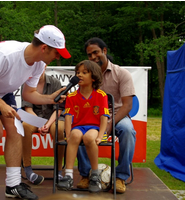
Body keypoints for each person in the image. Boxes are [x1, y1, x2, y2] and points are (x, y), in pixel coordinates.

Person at [0, 25, 71, 200]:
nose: (58, 57)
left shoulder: (38, 63)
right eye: (57, 53)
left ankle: (12, 185)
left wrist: (51, 98)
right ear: (44, 48)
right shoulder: (7, 55)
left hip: (2, 90)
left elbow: (29, 94)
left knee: (16, 129)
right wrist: (1, 106)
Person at [76, 37, 136, 194]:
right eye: (89, 55)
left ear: (104, 51)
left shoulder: (121, 73)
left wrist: (109, 123)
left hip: (117, 115)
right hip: (93, 117)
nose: (93, 57)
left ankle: (121, 177)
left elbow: (127, 105)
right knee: (77, 130)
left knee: (128, 131)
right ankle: (86, 175)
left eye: (96, 52)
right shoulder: (86, 75)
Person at [56, 60, 110, 193]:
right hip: (78, 126)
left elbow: (104, 117)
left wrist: (101, 134)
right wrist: (68, 135)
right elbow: (68, 117)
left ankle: (95, 175)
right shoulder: (72, 96)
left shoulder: (101, 95)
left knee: (89, 137)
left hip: (94, 127)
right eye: (78, 72)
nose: (79, 75)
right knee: (74, 135)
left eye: (84, 73)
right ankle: (68, 175)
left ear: (93, 77)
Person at [21, 66, 65, 185]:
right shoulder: (26, 84)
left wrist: (47, 124)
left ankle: (59, 170)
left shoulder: (55, 82)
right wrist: (39, 123)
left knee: (59, 129)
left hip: (53, 118)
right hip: (35, 117)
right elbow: (28, 108)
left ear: (45, 67)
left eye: (39, 67)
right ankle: (28, 169)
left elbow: (58, 109)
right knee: (25, 126)